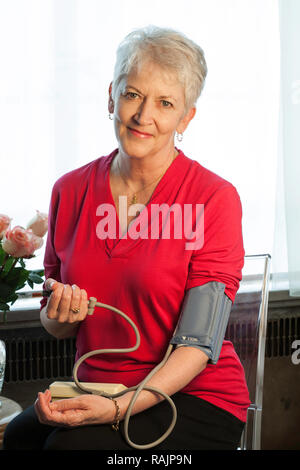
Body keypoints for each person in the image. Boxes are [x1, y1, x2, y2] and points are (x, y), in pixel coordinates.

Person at [3, 25, 250, 451]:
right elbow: (53, 322)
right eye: (133, 94)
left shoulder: (214, 198)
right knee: (20, 437)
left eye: (165, 103)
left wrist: (120, 408)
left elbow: (198, 345)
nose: (143, 116)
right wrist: (63, 316)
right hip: (100, 385)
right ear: (111, 95)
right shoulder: (69, 189)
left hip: (193, 394)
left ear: (186, 117)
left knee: (67, 451)